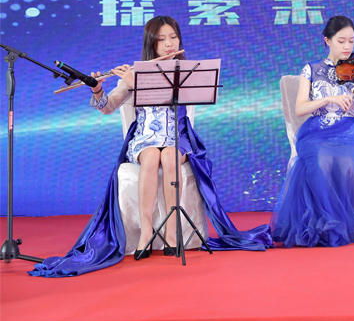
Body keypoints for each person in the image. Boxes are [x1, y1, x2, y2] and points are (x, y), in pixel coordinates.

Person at [30, 16, 272, 277]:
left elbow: (175, 100)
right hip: (145, 138)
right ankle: (146, 230)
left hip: (178, 137)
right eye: (162, 39)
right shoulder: (135, 73)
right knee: (150, 157)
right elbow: (107, 107)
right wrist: (97, 90)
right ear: (151, 43)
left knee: (169, 157)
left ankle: (171, 231)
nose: (169, 44)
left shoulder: (188, 72)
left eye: (173, 37)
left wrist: (137, 83)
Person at [270, 15, 354, 247]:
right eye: (341, 41)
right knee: (320, 159)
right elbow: (300, 109)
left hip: (349, 132)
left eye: (351, 41)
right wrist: (329, 99)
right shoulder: (311, 69)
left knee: (348, 163)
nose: (347, 47)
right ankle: (324, 222)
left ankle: (343, 223)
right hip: (316, 132)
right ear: (327, 40)